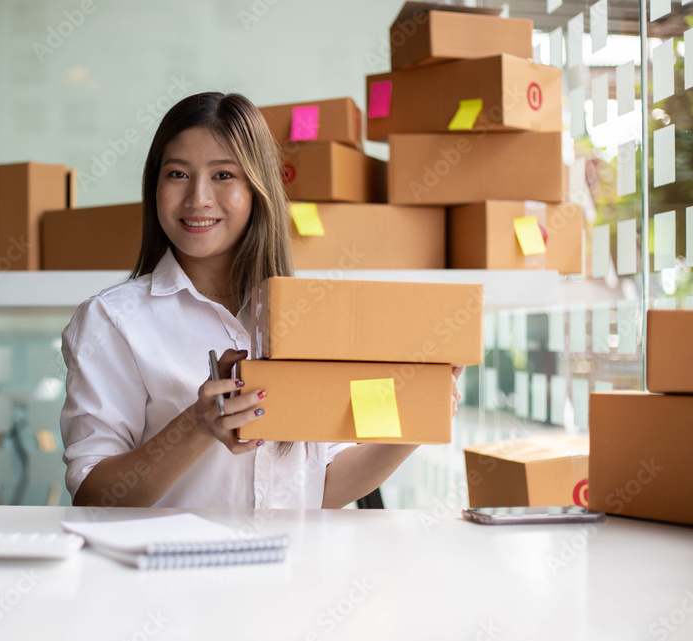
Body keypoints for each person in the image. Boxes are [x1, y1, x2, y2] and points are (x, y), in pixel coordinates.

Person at [60, 91, 463, 510]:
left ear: (257, 188)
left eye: (223, 175)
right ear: (154, 185)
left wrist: (423, 419)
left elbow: (324, 485)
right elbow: (93, 496)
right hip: (175, 572)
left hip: (294, 570)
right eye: (177, 174)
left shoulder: (309, 313)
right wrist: (197, 425)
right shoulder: (112, 320)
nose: (198, 197)